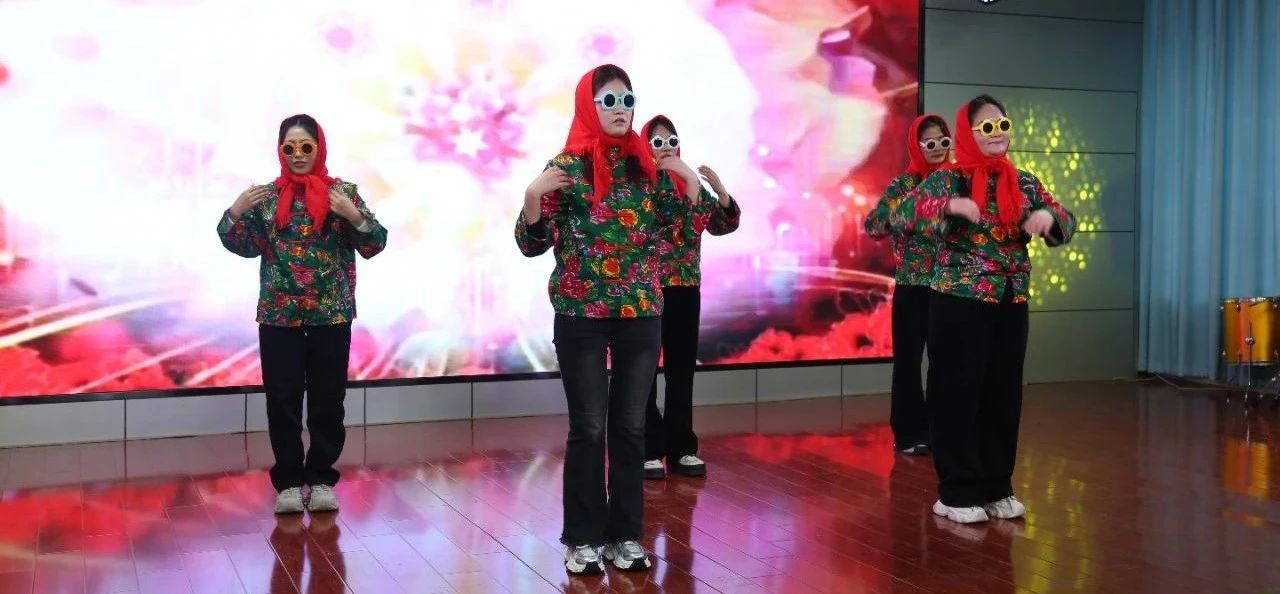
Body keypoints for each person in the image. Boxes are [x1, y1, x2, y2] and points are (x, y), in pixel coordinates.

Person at [514, 65, 708, 574]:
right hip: (580, 313)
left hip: (640, 312)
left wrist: (689, 179)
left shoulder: (647, 165)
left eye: (627, 100)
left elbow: (686, 229)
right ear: (588, 105)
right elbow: (531, 245)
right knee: (588, 427)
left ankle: (625, 536)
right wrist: (532, 198)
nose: (621, 109)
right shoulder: (566, 166)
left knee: (630, 427)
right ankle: (582, 538)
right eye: (609, 101)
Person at [887, 95, 1076, 524]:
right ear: (969, 134)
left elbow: (1065, 217)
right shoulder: (948, 180)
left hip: (1011, 301)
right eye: (987, 127)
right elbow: (900, 216)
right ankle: (956, 492)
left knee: (1003, 396)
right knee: (956, 395)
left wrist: (1050, 220)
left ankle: (996, 487)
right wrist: (947, 207)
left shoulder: (1023, 182)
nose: (997, 134)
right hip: (958, 301)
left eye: (1002, 125)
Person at [217, 114, 387, 514]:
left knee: (329, 401)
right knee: (283, 401)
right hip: (280, 316)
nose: (297, 155)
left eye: (306, 147)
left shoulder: (342, 193)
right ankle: (290, 483)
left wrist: (353, 215)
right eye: (289, 147)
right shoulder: (266, 198)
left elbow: (375, 243)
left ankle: (322, 479)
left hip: (331, 315)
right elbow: (243, 246)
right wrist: (234, 211)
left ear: (319, 148)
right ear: (280, 151)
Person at [639, 114, 740, 480]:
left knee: (681, 372)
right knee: (644, 374)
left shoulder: (687, 182)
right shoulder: (640, 186)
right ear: (645, 146)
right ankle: (649, 449)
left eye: (672, 141)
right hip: (646, 291)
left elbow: (722, 224)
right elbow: (683, 230)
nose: (666, 148)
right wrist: (692, 184)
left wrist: (721, 194)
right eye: (657, 142)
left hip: (685, 289)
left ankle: (681, 448)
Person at [864, 113, 952, 456]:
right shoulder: (904, 185)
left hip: (953, 288)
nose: (937, 147)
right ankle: (910, 433)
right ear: (916, 146)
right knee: (908, 362)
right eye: (929, 142)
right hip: (913, 287)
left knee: (948, 362)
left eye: (943, 141)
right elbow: (874, 225)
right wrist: (912, 212)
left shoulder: (959, 182)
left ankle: (943, 431)